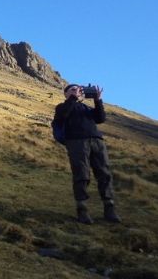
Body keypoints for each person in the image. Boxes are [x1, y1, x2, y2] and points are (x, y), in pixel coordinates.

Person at [53, 84, 121, 224]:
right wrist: (72, 99)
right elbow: (63, 115)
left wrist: (98, 100)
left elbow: (100, 118)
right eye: (72, 90)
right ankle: (82, 210)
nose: (77, 91)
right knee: (81, 174)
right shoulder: (62, 107)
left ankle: (109, 208)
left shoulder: (85, 108)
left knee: (105, 173)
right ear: (65, 94)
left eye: (78, 89)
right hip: (77, 142)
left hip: (97, 141)